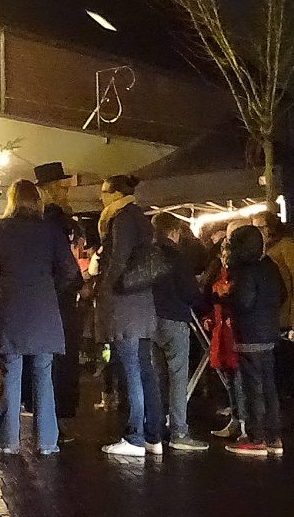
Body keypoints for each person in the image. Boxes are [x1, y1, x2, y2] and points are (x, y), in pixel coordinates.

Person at [0, 179, 79, 456]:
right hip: (44, 309)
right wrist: (49, 287)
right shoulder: (50, 231)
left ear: (12, 200)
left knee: (11, 374)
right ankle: (47, 441)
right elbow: (70, 271)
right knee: (44, 375)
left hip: (12, 309)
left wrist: (2, 286)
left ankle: (9, 440)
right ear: (37, 200)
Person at [96, 175, 163, 457]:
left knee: (132, 370)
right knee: (147, 370)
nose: (100, 198)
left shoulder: (121, 219)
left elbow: (118, 261)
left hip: (126, 305)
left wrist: (103, 288)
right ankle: (153, 436)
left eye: (103, 192)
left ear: (115, 194)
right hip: (144, 303)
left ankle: (135, 437)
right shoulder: (141, 217)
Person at [222, 225, 286, 457]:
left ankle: (256, 438)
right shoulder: (269, 266)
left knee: (252, 387)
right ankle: (274, 438)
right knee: (269, 386)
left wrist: (226, 298)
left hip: (249, 334)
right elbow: (282, 294)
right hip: (269, 332)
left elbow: (244, 301)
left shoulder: (245, 270)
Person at [150, 212, 209, 450]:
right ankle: (179, 432)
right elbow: (190, 293)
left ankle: (155, 427)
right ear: (174, 232)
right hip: (175, 319)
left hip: (150, 320)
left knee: (156, 377)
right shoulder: (178, 257)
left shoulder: (147, 255)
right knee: (177, 376)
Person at [34, 162, 83, 429]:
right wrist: (73, 282)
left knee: (55, 356)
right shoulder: (57, 221)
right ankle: (57, 412)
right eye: (61, 184)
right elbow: (65, 264)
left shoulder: (51, 220)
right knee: (60, 356)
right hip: (60, 298)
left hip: (55, 295)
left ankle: (54, 411)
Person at [253, 212, 294, 397]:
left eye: (259, 227)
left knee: (290, 369)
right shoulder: (270, 249)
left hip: (292, 320)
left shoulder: (290, 248)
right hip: (278, 319)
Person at [206, 220, 249, 440]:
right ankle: (236, 420)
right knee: (232, 377)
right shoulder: (228, 266)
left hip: (236, 328)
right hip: (224, 326)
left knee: (239, 377)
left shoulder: (244, 268)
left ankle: (244, 425)